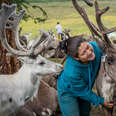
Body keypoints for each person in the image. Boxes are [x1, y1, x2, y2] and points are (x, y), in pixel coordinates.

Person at [57, 35, 114, 116]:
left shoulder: (96, 48)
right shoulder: (72, 72)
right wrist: (101, 101)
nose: (89, 52)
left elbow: (109, 49)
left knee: (85, 112)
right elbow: (83, 92)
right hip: (68, 91)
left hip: (85, 86)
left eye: (87, 46)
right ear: (77, 58)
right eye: (84, 53)